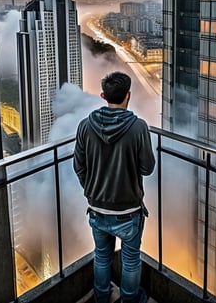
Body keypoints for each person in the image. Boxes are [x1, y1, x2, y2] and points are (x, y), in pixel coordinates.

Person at [73, 71, 155, 303]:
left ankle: (101, 297)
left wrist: (90, 190)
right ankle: (129, 299)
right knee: (130, 259)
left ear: (103, 95)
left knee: (101, 256)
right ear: (128, 95)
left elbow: (78, 166)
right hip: (128, 211)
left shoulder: (85, 126)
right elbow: (147, 168)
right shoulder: (138, 128)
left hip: (97, 208)